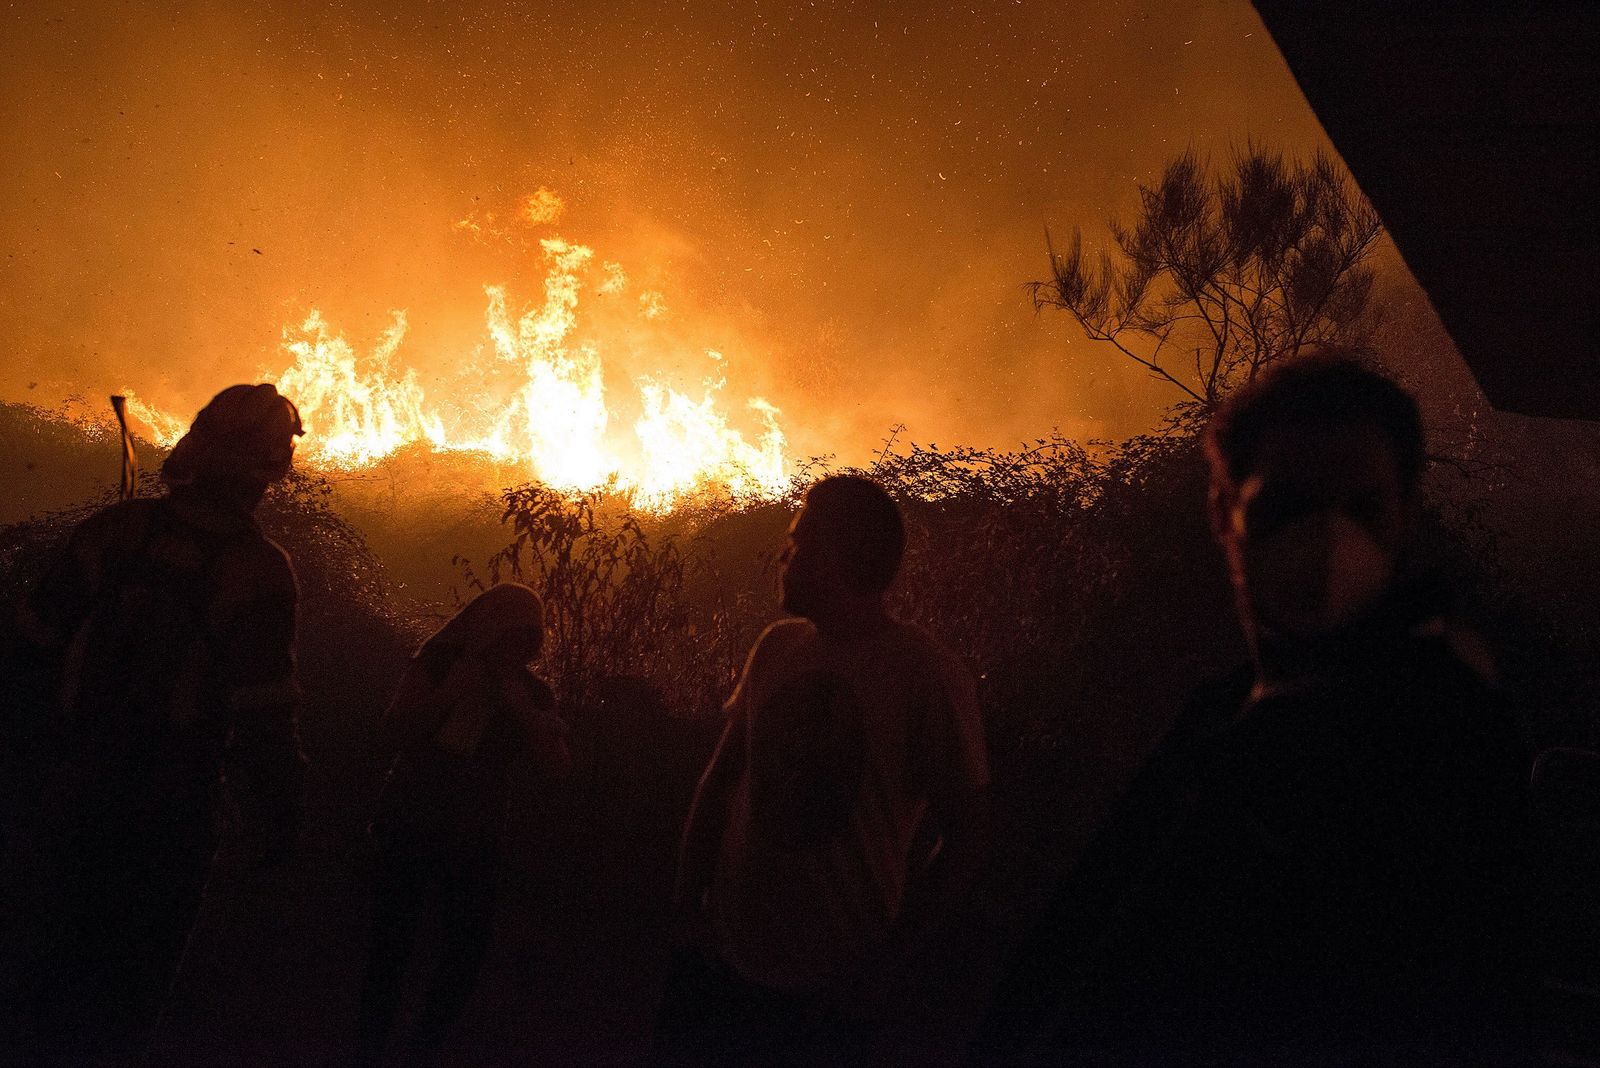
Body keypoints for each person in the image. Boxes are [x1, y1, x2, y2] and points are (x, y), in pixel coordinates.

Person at [983, 355, 1533, 1065]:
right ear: (1223, 514)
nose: (1328, 541)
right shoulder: (1232, 711)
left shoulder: (1442, 734)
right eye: (1287, 508)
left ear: (1407, 516)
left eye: (1360, 509)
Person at [14, 383, 309, 1063]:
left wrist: (37, 764)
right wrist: (282, 819)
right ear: (267, 470)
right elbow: (265, 715)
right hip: (169, 812)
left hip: (72, 785)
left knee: (45, 974)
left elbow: (31, 652)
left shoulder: (111, 533)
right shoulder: (259, 572)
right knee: (126, 999)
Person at [656, 474, 991, 1066]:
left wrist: (887, 963)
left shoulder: (924, 676)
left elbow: (968, 839)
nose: (784, 558)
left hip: (833, 990)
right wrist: (687, 912)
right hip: (728, 960)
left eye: (799, 546)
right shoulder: (777, 648)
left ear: (846, 559)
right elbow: (719, 782)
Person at [357, 582, 571, 1066]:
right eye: (509, 638)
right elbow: (392, 732)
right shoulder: (437, 666)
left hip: (477, 836)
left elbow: (558, 767)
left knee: (462, 957)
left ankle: (421, 1051)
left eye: (527, 640)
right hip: (413, 822)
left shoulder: (533, 693)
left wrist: (525, 715)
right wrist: (451, 695)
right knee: (391, 949)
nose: (516, 651)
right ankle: (369, 1051)